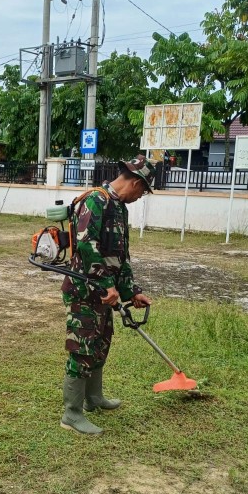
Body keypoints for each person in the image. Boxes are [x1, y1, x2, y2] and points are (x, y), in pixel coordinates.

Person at [60, 154, 155, 435]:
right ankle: (71, 414)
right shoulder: (96, 200)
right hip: (84, 291)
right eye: (143, 192)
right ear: (136, 183)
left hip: (104, 292)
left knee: (101, 343)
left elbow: (120, 257)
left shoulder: (119, 208)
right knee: (82, 347)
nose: (141, 198)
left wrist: (132, 292)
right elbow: (86, 245)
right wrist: (106, 283)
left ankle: (94, 398)